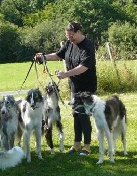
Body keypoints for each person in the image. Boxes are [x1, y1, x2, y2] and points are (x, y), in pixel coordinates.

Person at [35, 21, 97, 156]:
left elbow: (84, 67)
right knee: (76, 114)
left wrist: (65, 74)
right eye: (68, 36)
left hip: (87, 87)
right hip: (75, 86)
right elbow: (58, 55)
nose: (69, 39)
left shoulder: (88, 45)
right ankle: (76, 145)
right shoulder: (70, 43)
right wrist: (43, 57)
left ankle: (86, 147)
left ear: (79, 32)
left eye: (72, 36)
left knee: (83, 115)